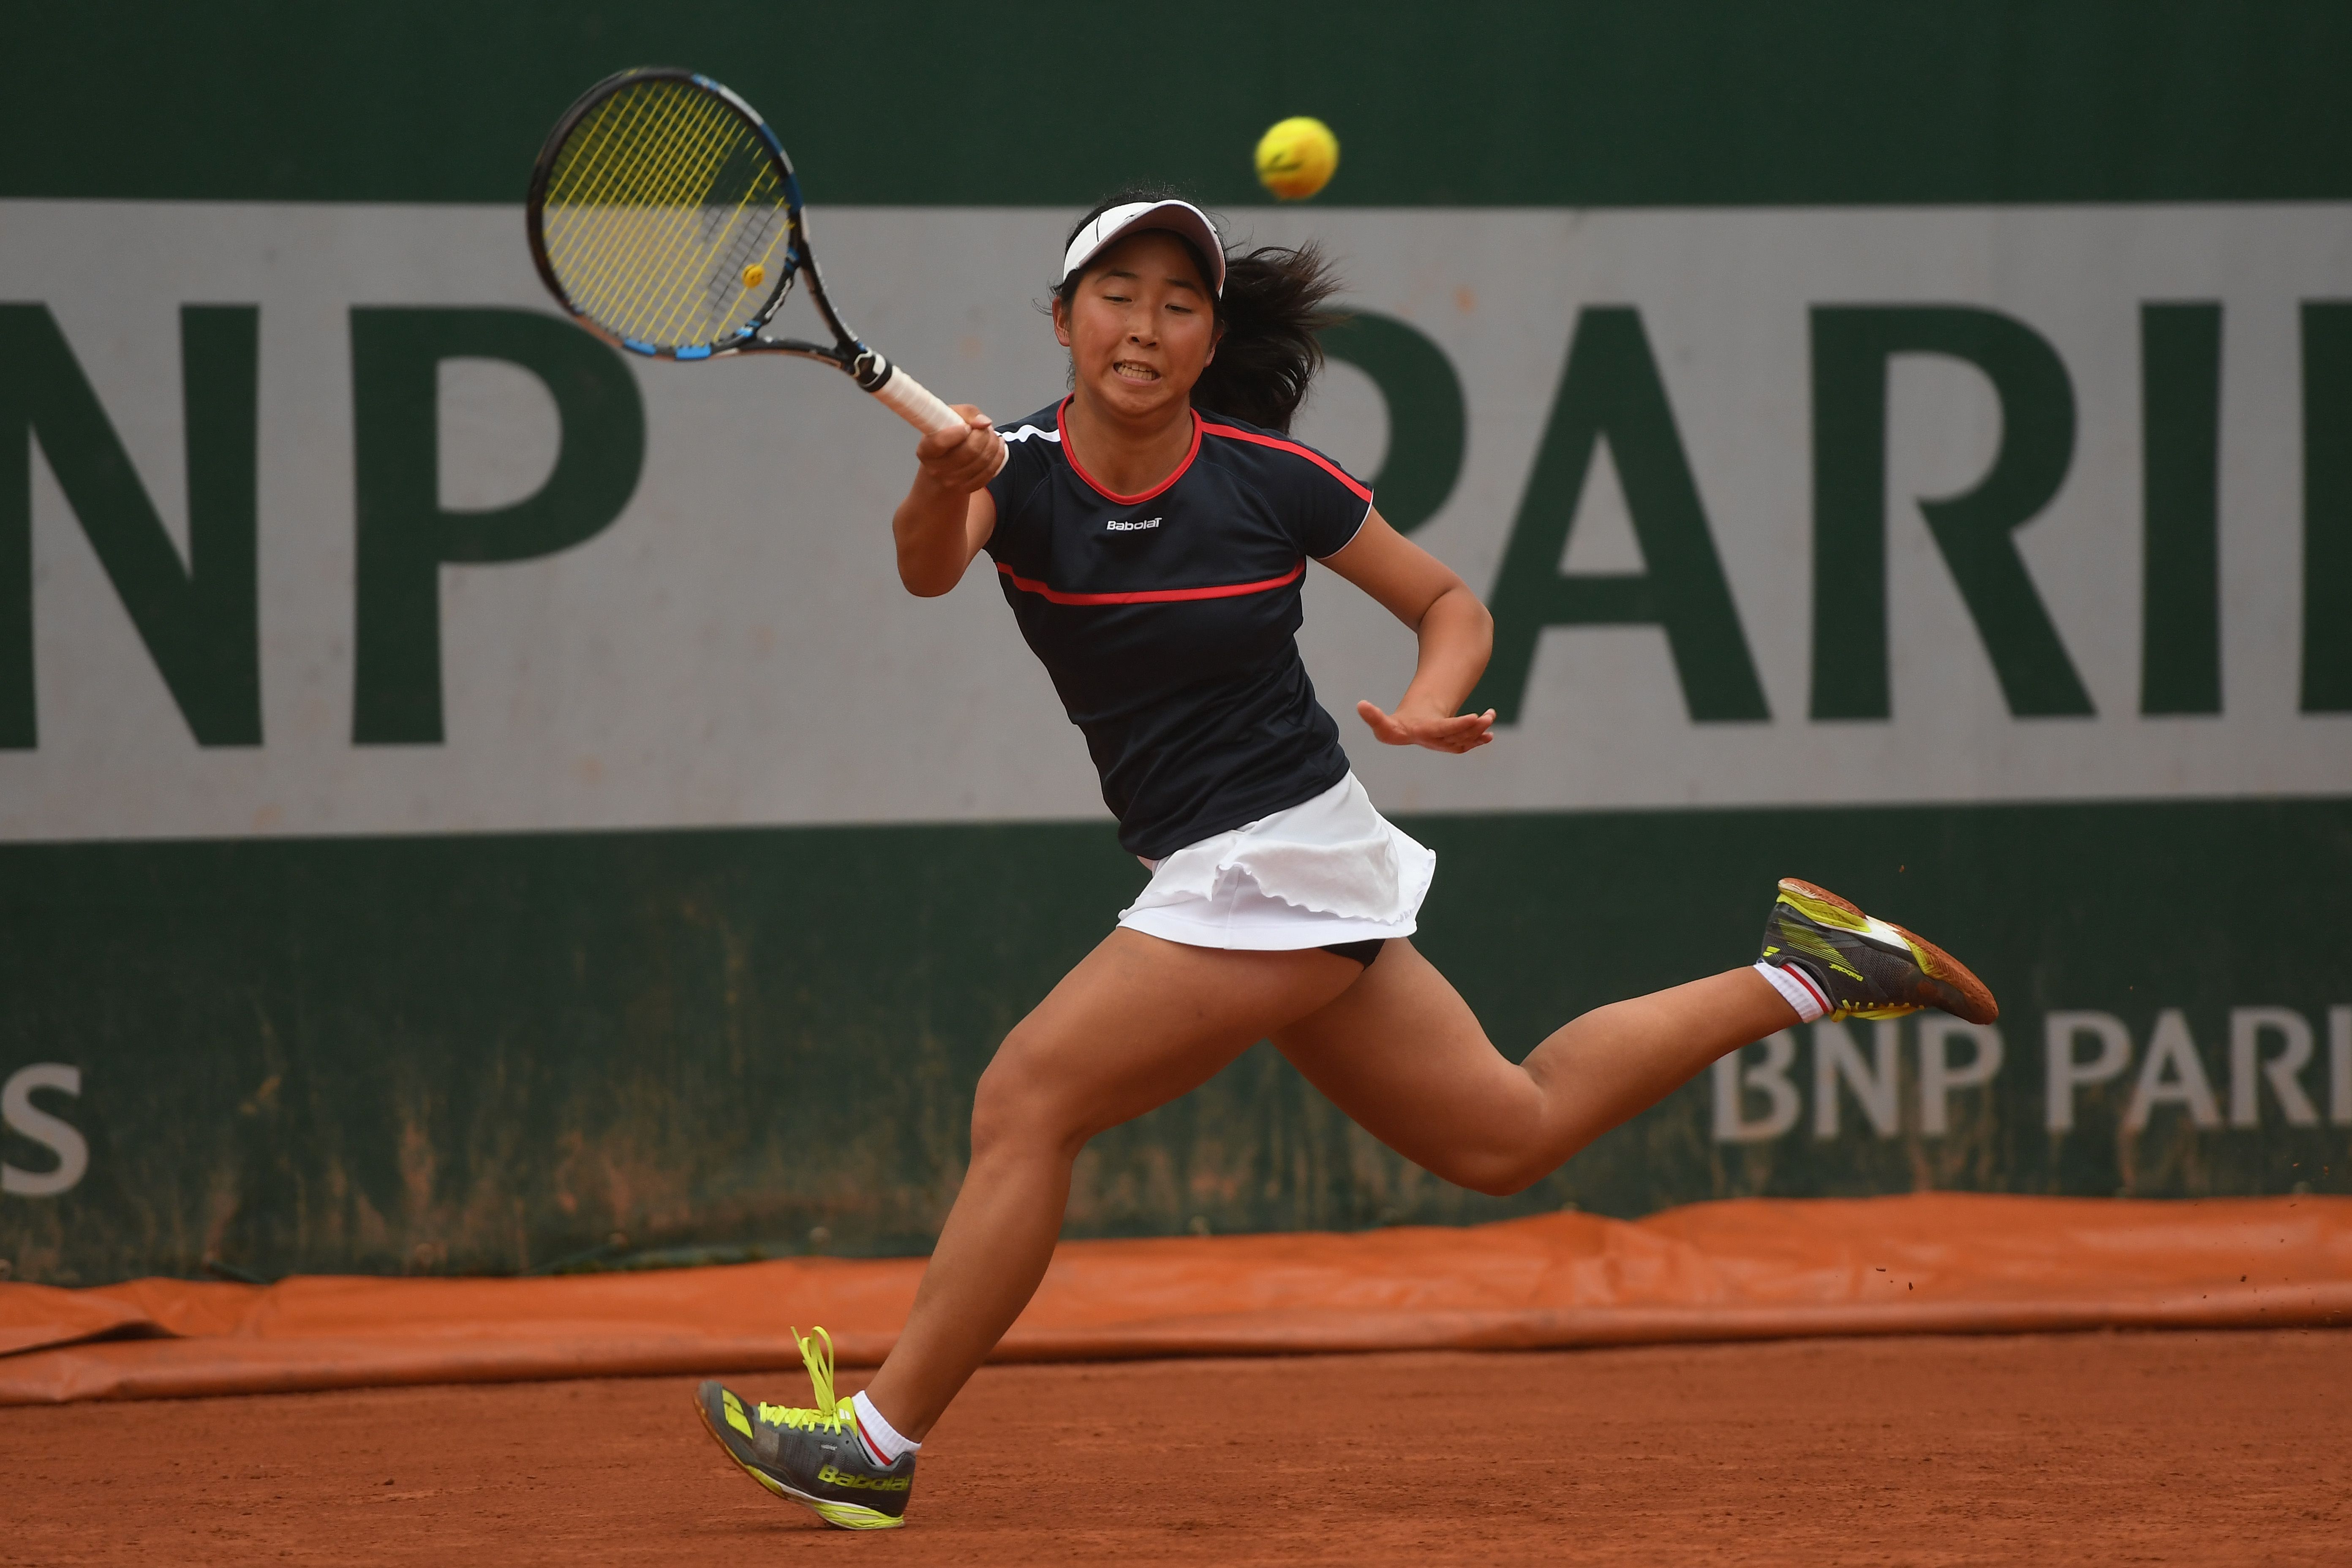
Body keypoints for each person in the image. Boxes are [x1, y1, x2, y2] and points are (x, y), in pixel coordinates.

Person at [694, 193, 1998, 1530]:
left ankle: (877, 1438)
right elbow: (927, 572)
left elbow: (1451, 603)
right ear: (1065, 317)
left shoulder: (1267, 476)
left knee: (1029, 1099)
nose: (1145, 326)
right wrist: (939, 477)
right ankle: (1817, 974)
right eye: (1118, 295)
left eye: (1179, 305)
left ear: (1210, 341)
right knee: (1511, 1132)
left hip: (1281, 857)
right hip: (1252, 867)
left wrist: (1435, 699)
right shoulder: (1013, 473)